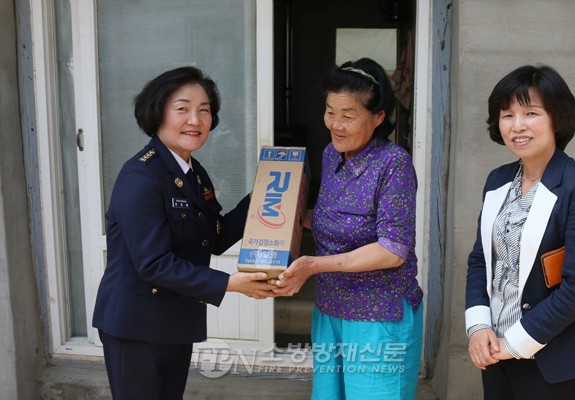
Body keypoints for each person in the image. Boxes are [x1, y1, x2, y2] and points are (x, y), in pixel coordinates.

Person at [92, 66, 277, 399]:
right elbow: (154, 264)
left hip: (175, 322)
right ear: (157, 113)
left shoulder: (193, 172)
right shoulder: (141, 177)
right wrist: (231, 283)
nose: (196, 120)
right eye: (182, 109)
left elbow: (215, 236)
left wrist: (267, 196)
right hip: (136, 327)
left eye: (204, 110)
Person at [273, 58, 424, 400]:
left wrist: (313, 265)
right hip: (330, 310)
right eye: (330, 112)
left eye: (348, 115)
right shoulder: (331, 155)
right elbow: (332, 220)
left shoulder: (394, 164)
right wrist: (274, 216)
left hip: (377, 316)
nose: (336, 125)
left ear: (378, 117)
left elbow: (392, 250)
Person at [465, 65, 575, 399]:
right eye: (507, 115)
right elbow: (481, 260)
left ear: (557, 118)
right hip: (494, 351)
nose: (517, 125)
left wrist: (514, 343)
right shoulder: (497, 180)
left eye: (531, 113)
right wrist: (479, 327)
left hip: (554, 359)